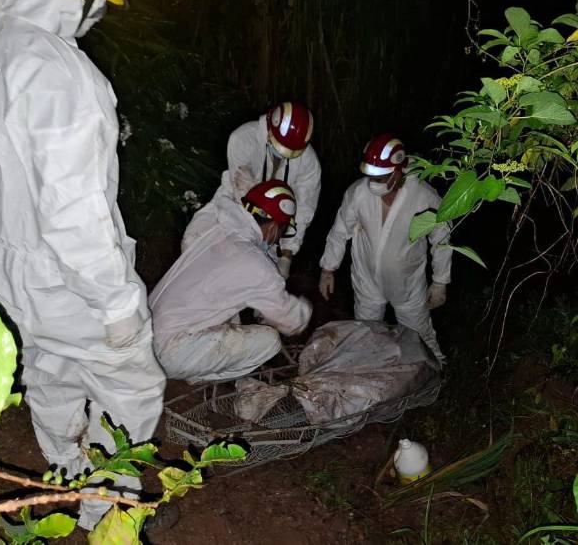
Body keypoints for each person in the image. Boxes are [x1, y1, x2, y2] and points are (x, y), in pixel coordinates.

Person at [0, 0, 165, 531]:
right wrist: (117, 305)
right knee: (130, 386)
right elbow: (74, 213)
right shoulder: (58, 71)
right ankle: (106, 515)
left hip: (6, 266)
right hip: (66, 277)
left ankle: (65, 470)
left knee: (50, 367)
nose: (104, 8)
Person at [149, 181, 312, 382]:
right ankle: (195, 377)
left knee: (231, 313)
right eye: (280, 231)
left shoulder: (214, 229)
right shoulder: (258, 266)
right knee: (270, 342)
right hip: (169, 351)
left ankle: (189, 366)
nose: (277, 239)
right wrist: (306, 308)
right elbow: (290, 321)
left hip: (143, 334)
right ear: (272, 228)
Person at [318, 134, 452, 362]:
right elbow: (340, 231)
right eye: (371, 176)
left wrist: (440, 281)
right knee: (366, 335)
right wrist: (328, 269)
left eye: (382, 177)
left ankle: (437, 374)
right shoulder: (358, 193)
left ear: (399, 170)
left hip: (407, 285)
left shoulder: (422, 196)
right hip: (367, 281)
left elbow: (442, 237)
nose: (374, 182)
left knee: (420, 336)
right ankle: (374, 378)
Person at [181, 102, 321, 279]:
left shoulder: (309, 163)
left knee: (267, 285)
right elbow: (243, 190)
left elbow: (303, 209)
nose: (284, 155)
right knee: (193, 249)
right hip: (231, 208)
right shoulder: (243, 139)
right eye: (280, 147)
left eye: (291, 152)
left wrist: (287, 254)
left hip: (272, 231)